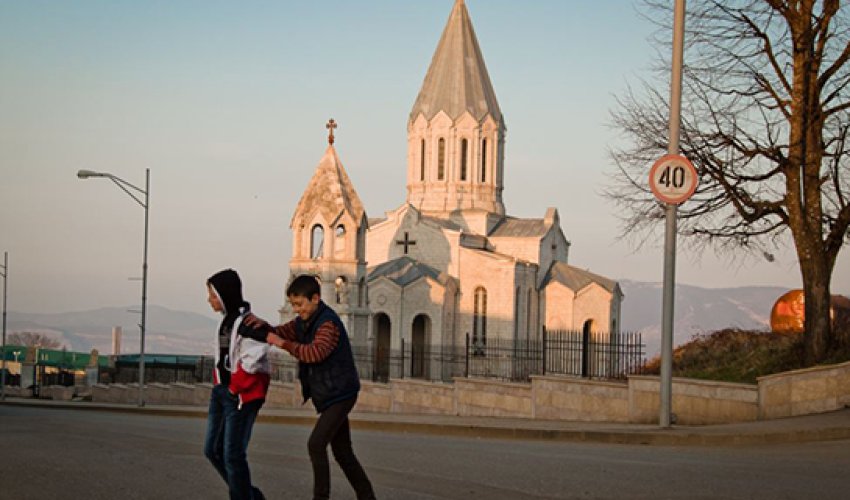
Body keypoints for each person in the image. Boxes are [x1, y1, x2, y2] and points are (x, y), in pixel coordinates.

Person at [244, 274, 376, 500]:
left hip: (341, 393)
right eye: (293, 305)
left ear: (315, 298)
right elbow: (279, 332)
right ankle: (367, 496)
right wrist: (260, 325)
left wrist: (282, 344)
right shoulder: (303, 323)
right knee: (343, 452)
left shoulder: (328, 323)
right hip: (330, 394)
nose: (296, 309)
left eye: (299, 304)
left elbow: (314, 353)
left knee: (316, 444)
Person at [204, 269, 270, 500]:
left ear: (225, 294)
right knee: (212, 450)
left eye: (213, 295)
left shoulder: (248, 323)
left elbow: (255, 357)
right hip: (222, 392)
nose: (210, 300)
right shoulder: (226, 322)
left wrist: (234, 387)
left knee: (232, 454)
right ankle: (249, 495)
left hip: (240, 396)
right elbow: (224, 356)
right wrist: (220, 383)